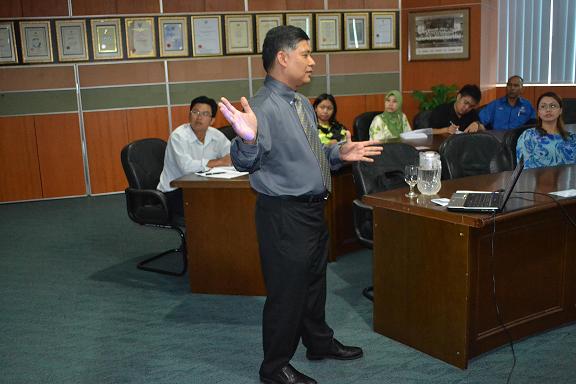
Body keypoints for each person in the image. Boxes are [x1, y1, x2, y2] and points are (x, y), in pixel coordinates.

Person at [217, 25, 382, 384]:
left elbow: (309, 155)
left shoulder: (297, 102)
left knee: (312, 285)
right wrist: (245, 140)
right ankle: (274, 368)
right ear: (283, 57)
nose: (313, 61)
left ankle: (318, 343)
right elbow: (248, 160)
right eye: (305, 53)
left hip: (309, 211)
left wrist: (339, 152)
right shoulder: (264, 108)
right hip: (284, 215)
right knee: (287, 294)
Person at [157, 96, 231, 217]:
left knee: (230, 202)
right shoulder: (179, 136)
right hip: (175, 191)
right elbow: (187, 167)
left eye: (205, 114)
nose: (199, 117)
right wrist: (219, 162)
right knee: (210, 210)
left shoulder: (216, 135)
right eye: (195, 112)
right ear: (189, 115)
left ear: (212, 120)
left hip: (201, 187)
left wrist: (228, 159)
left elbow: (231, 154)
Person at [516, 92, 576, 169]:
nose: (548, 110)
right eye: (543, 106)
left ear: (560, 111)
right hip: (537, 180)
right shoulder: (528, 136)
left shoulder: (572, 138)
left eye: (553, 106)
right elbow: (525, 169)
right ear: (538, 112)